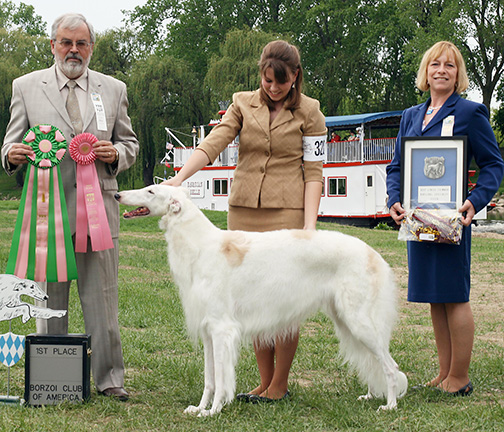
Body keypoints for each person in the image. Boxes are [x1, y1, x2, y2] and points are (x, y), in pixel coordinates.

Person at [162, 40, 327, 402]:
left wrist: (310, 227)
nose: (272, 88)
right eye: (267, 81)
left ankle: (279, 385)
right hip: (243, 211)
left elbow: (314, 171)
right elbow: (213, 144)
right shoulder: (241, 103)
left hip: (288, 214)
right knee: (249, 298)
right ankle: (263, 382)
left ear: (296, 77)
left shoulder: (311, 112)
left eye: (280, 83)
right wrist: (178, 179)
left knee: (284, 299)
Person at [1, 13, 139, 401]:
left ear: (91, 47)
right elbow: (9, 144)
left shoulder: (114, 89)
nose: (73, 50)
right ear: (52, 45)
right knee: (49, 300)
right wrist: (12, 154)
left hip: (100, 213)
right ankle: (54, 377)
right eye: (66, 42)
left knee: (103, 299)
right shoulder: (26, 87)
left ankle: (110, 379)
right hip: (48, 214)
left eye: (81, 43)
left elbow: (129, 143)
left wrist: (118, 155)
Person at [386, 41, 504, 395]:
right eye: (435, 64)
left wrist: (474, 201)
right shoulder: (409, 116)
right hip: (417, 219)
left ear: (458, 74)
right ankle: (445, 372)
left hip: (452, 220)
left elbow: (493, 165)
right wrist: (393, 199)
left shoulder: (470, 112)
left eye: (449, 66)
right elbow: (396, 168)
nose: (441, 70)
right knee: (435, 296)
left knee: (455, 294)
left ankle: (461, 377)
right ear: (426, 71)